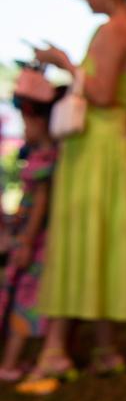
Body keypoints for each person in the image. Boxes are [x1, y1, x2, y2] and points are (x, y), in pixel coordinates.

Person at [23, 0, 126, 393]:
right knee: (101, 245)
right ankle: (105, 348)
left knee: (79, 242)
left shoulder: (112, 30)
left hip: (98, 150)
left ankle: (55, 350)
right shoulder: (124, 28)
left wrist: (62, 62)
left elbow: (102, 93)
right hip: (109, 148)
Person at [0, 88, 60, 382]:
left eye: (27, 122)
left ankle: (10, 363)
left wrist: (25, 240)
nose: (24, 129)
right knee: (16, 299)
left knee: (24, 302)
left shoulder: (47, 159)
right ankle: (12, 362)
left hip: (34, 244)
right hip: (26, 239)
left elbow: (40, 204)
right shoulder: (41, 156)